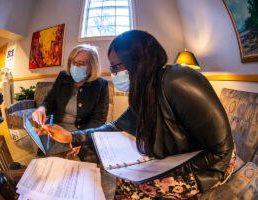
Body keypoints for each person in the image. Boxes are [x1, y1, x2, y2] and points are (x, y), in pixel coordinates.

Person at [37, 30, 235, 199]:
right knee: (120, 176)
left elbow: (220, 151)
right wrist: (72, 136)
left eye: (116, 67)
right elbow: (117, 126)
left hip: (211, 166)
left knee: (138, 184)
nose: (113, 73)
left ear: (137, 61)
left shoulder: (180, 81)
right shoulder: (144, 90)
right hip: (176, 157)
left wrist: (161, 170)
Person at [32, 44, 109, 161]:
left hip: (82, 132)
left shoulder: (101, 84)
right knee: (47, 160)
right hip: (57, 129)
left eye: (81, 63)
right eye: (73, 62)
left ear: (92, 65)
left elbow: (99, 119)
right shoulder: (63, 76)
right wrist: (42, 108)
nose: (76, 66)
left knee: (89, 163)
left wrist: (80, 139)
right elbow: (50, 100)